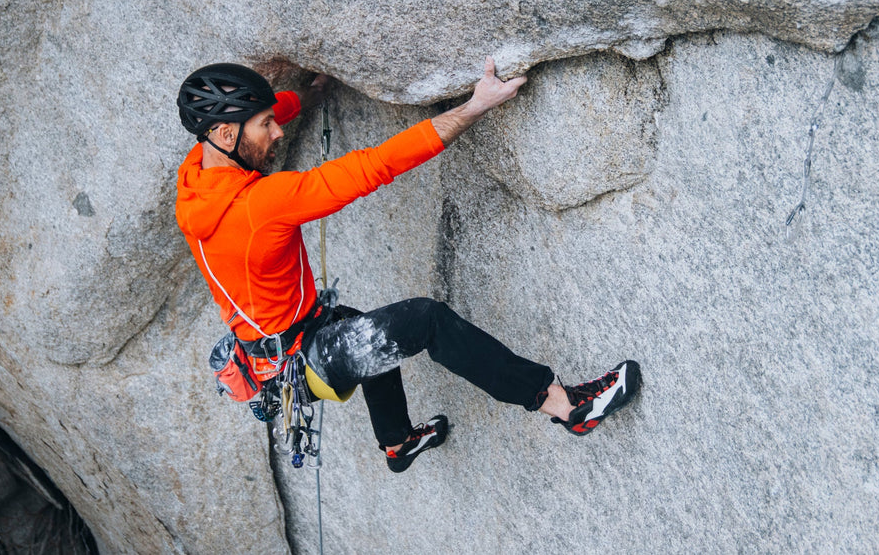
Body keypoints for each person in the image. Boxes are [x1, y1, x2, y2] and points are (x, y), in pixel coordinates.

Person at [173, 58, 641, 472]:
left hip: (272, 351)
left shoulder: (196, 176)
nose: (277, 131)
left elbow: (277, 112)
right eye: (266, 124)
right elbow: (375, 165)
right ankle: (565, 406)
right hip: (300, 359)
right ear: (226, 134)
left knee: (368, 335)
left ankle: (398, 443)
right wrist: (475, 106)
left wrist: (308, 96)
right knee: (423, 321)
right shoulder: (260, 205)